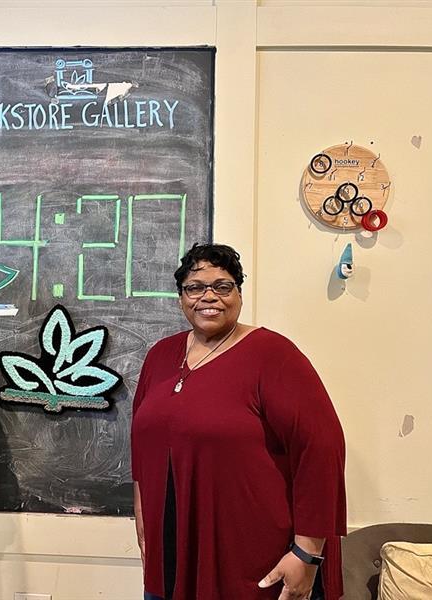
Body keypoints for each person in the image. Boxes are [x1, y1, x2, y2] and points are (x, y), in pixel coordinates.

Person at [131, 243, 346, 600]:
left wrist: (307, 553)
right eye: (195, 287)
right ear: (181, 297)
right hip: (170, 557)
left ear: (239, 294)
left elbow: (322, 448)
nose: (208, 296)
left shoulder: (273, 355)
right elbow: (143, 445)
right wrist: (143, 518)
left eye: (223, 285)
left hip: (256, 564)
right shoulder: (160, 356)